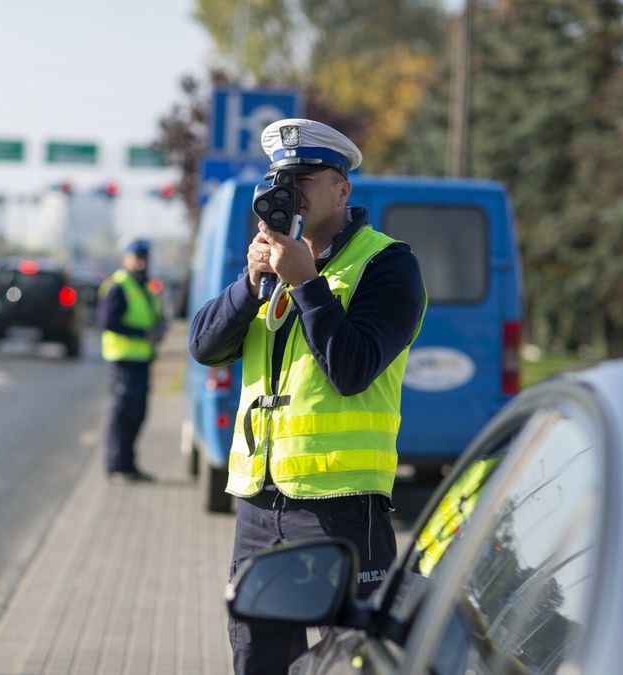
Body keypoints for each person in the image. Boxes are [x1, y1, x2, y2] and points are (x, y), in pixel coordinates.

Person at [188, 118, 427, 675]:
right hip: (258, 504)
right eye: (278, 178)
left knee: (353, 661)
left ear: (343, 189)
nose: (286, 190)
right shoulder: (267, 266)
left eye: (303, 177)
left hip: (341, 509)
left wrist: (306, 283)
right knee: (257, 659)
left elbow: (352, 368)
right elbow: (204, 346)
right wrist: (249, 285)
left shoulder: (388, 264)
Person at [98, 238, 166, 483]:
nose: (140, 262)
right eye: (136, 257)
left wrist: (160, 328)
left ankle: (128, 464)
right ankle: (116, 466)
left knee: (138, 414)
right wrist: (142, 334)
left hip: (143, 360)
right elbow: (108, 322)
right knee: (123, 414)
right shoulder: (119, 285)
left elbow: (156, 316)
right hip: (123, 361)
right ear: (126, 258)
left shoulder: (148, 286)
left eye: (144, 257)